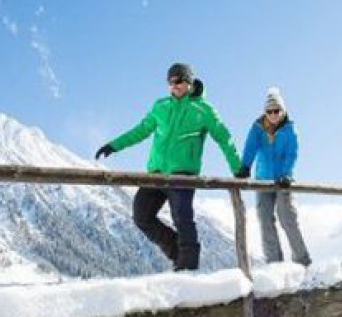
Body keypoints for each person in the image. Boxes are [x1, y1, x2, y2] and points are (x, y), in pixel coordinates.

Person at [95, 62, 245, 271]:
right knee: (141, 215)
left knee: (182, 218)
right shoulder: (161, 106)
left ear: (189, 83)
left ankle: (188, 266)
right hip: (156, 173)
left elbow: (224, 138)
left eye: (178, 81)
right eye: (170, 81)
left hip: (182, 174)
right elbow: (140, 131)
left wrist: (238, 169)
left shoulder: (203, 110)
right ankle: (178, 252)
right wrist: (114, 145)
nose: (174, 85)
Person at [239, 87, 311, 267]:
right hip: (263, 179)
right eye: (269, 111)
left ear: (283, 111)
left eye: (276, 111)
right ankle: (274, 264)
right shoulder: (257, 128)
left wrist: (286, 174)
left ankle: (302, 261)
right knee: (264, 218)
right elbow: (250, 148)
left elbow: (291, 154)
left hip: (282, 180)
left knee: (286, 216)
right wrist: (245, 166)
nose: (273, 115)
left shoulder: (289, 130)